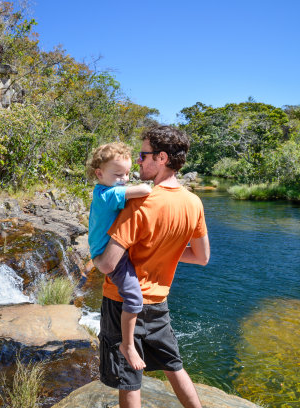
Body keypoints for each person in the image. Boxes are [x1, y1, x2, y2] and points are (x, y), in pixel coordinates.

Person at [93, 126, 211, 408]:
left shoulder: (140, 203)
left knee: (129, 378)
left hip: (121, 302)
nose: (139, 160)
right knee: (173, 365)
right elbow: (201, 257)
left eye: (143, 155)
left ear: (161, 158)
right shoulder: (193, 202)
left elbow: (109, 264)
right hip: (158, 302)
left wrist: (94, 259)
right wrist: (165, 249)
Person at [86, 142, 152, 370]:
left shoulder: (103, 190)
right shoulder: (108, 195)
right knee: (134, 298)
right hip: (108, 253)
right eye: (118, 174)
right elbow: (145, 190)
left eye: (126, 173)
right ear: (99, 173)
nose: (124, 179)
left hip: (103, 249)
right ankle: (128, 345)